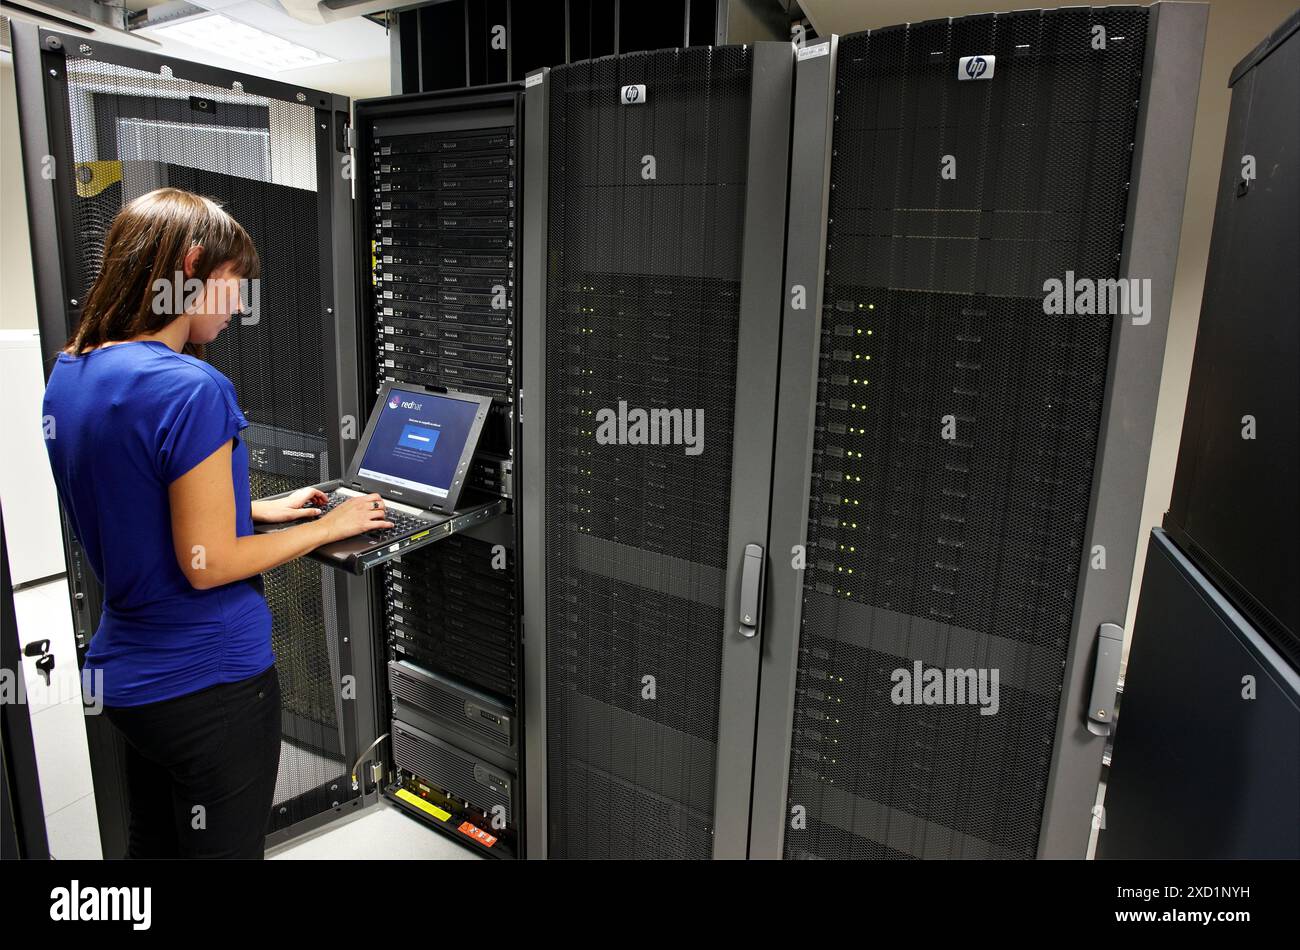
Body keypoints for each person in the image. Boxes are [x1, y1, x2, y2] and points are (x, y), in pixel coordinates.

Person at [42, 187, 388, 858]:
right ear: (193, 264)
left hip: (130, 681)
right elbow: (209, 565)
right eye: (235, 284)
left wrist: (256, 509)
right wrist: (326, 526)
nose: (239, 305)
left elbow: (131, 489)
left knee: (154, 848)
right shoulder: (192, 387)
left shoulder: (74, 371)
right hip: (208, 683)